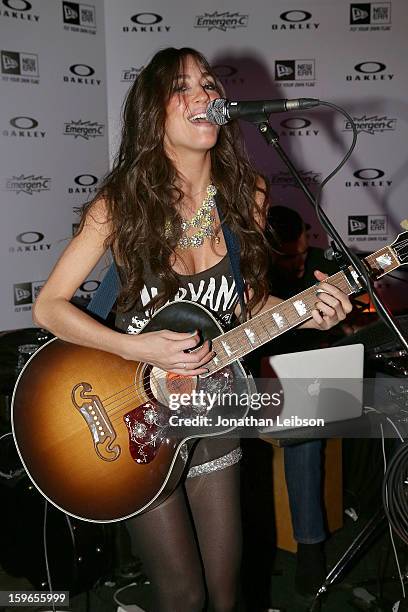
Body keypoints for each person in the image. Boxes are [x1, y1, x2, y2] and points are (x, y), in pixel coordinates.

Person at [32, 48, 352, 612]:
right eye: (183, 87)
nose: (205, 95)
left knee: (226, 594)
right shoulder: (122, 202)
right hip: (134, 418)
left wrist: (308, 307)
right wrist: (135, 346)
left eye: (208, 84)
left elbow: (245, 302)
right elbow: (50, 307)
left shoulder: (247, 193)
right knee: (182, 594)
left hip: (214, 410)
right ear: (153, 113)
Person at [267, 205, 341, 598]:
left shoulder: (320, 264)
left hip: (316, 374)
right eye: (284, 258)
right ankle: (308, 549)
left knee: (307, 422)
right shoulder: (253, 272)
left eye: (297, 253)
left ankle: (311, 548)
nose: (296, 263)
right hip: (263, 379)